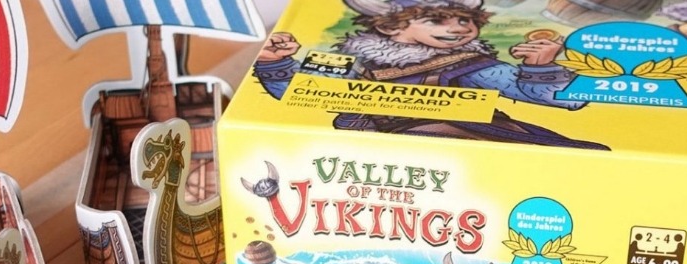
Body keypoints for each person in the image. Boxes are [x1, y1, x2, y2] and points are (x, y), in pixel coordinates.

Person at [253, 0, 608, 149]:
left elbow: (553, 96)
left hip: (466, 140)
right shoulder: (357, 64)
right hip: (369, 152)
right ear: (391, 26)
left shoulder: (467, 64)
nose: (458, 28)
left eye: (465, 19)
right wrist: (273, 62)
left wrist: (540, 67)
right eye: (437, 19)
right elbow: (300, 91)